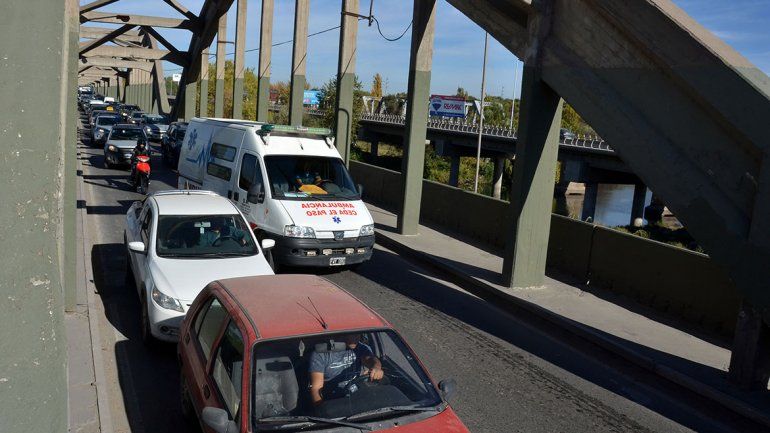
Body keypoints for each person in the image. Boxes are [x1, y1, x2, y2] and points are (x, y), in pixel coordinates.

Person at [309, 334, 384, 406]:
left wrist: (376, 368)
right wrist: (322, 410)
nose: (357, 337)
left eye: (358, 333)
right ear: (340, 334)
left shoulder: (360, 347)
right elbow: (316, 389)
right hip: (333, 401)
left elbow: (371, 359)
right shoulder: (320, 354)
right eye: (353, 334)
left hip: (356, 395)